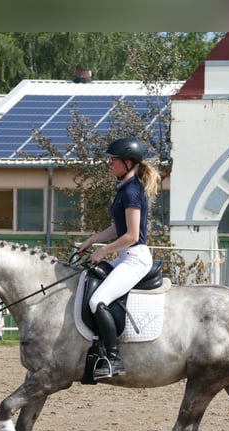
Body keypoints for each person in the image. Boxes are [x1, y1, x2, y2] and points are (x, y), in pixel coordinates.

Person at [77, 137, 161, 380]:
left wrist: (104, 251)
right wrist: (92, 241)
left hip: (135, 258)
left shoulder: (133, 190)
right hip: (125, 256)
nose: (109, 163)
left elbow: (132, 235)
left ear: (127, 162)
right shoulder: (124, 188)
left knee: (98, 301)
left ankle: (113, 358)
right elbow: (117, 228)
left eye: (112, 160)